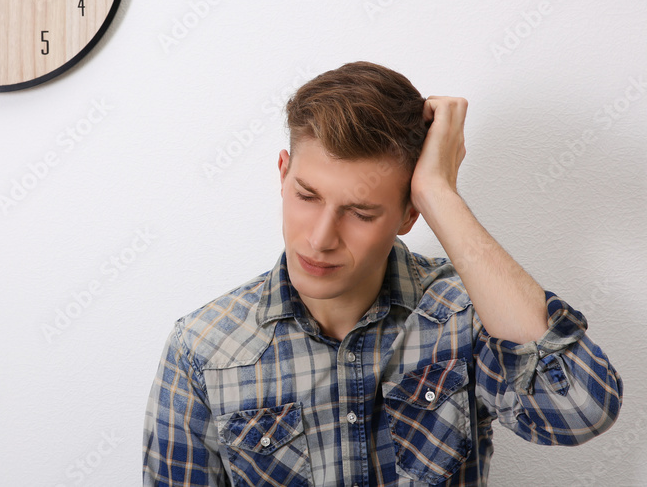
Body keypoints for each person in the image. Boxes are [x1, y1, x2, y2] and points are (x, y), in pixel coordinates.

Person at [142, 61, 622, 486]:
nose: (320, 239)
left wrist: (440, 194)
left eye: (361, 213)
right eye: (307, 196)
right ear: (283, 174)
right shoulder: (201, 350)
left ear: (410, 214)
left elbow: (581, 408)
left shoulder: (466, 315)